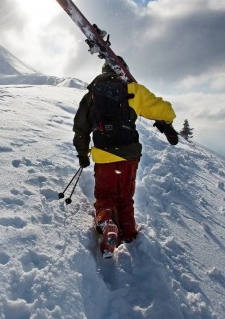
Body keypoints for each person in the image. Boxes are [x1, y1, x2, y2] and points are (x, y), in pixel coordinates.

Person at [73, 57, 177, 257]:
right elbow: (166, 111)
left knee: (105, 196)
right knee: (125, 197)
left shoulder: (92, 95)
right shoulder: (134, 90)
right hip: (129, 156)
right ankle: (129, 234)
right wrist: (167, 121)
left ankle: (106, 222)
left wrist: (82, 154)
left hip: (104, 156)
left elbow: (81, 129)